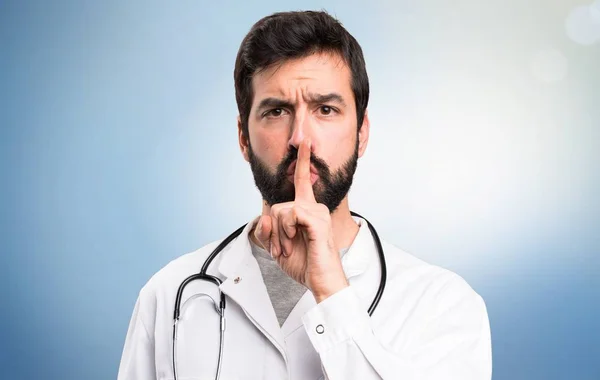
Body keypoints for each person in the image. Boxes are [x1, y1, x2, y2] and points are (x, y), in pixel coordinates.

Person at [117, 10, 492, 380]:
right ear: (243, 138)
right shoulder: (170, 296)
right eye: (277, 111)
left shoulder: (442, 305)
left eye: (325, 109)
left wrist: (330, 290)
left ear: (361, 133)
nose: (301, 138)